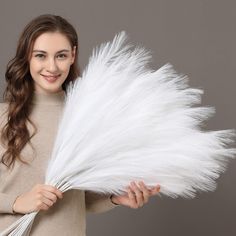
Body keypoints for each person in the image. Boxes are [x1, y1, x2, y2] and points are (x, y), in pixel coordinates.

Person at [0, 14, 160, 235]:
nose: (52, 66)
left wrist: (114, 198)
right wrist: (18, 202)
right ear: (27, 57)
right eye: (41, 56)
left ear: (73, 55)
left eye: (61, 55)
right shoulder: (3, 116)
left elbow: (78, 199)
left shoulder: (86, 117)